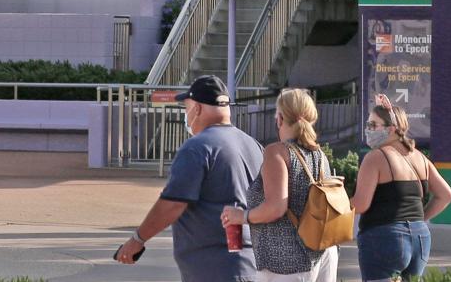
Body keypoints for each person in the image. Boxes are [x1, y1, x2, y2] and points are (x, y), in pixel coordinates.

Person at [115, 75, 264, 282]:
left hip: (214, 268)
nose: (186, 114)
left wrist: (137, 239)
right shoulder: (254, 146)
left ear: (198, 108)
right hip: (252, 264)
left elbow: (173, 203)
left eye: (186, 107)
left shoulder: (198, 147)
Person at [221, 88, 339, 282]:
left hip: (286, 262)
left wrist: (242, 216)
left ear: (280, 119)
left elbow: (276, 207)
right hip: (322, 254)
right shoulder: (319, 155)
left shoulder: (277, 153)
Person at [351, 94, 451, 282]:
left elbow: (360, 205)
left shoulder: (376, 157)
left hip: (384, 236)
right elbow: (446, 195)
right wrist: (419, 218)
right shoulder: (419, 157)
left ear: (391, 129)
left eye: (373, 125)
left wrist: (332, 202)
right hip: (420, 238)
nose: (368, 130)